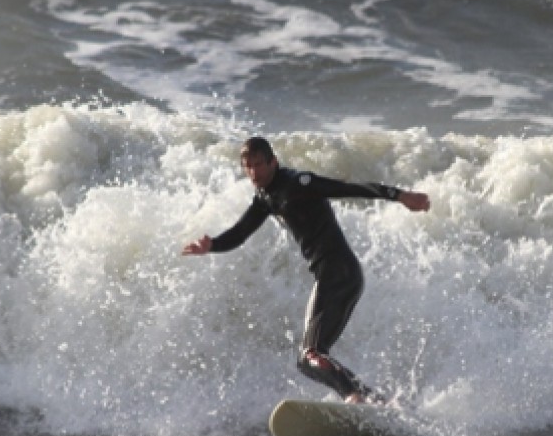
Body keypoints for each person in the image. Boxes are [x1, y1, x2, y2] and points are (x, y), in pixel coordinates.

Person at [182, 136, 431, 403]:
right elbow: (240, 234)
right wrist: (212, 246)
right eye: (248, 167)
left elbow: (350, 189)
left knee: (310, 354)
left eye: (259, 165)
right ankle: (373, 401)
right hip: (335, 275)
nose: (254, 172)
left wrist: (401, 195)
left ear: (273, 162)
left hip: (338, 272)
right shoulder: (265, 198)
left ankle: (353, 396)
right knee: (310, 357)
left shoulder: (298, 183)